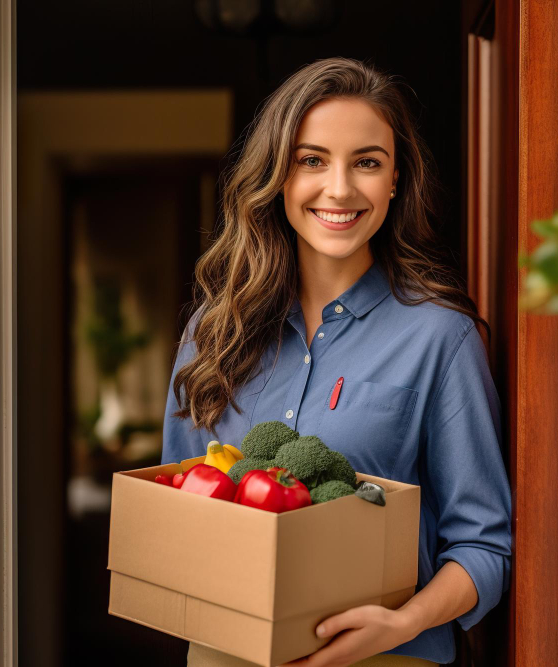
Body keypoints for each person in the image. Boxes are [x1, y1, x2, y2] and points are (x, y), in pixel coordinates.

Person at [162, 57, 512, 667]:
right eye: (312, 159)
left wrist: (400, 624)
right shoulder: (213, 333)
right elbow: (176, 513)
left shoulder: (442, 339)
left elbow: (484, 549)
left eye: (367, 162)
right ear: (278, 176)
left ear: (397, 179)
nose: (340, 188)